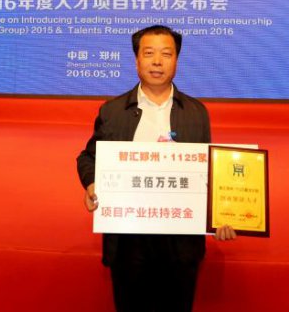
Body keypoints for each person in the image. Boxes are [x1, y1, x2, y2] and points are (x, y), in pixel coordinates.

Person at [77, 25, 235, 312]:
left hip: (180, 240)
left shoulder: (196, 112)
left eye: (166, 54)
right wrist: (91, 184)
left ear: (177, 60)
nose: (157, 62)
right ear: (137, 60)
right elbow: (88, 158)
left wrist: (222, 213)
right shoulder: (113, 110)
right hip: (129, 239)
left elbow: (208, 171)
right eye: (149, 53)